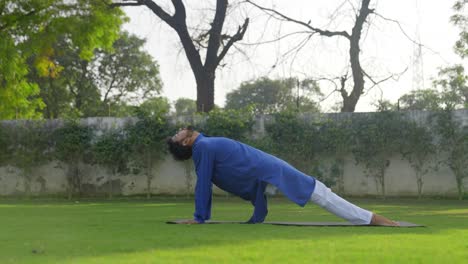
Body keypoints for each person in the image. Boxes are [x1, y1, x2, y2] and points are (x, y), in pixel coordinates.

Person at [167, 127, 398, 226]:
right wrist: (199, 216)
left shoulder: (204, 145)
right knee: (319, 193)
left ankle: (369, 218)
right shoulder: (203, 148)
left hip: (267, 170)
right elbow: (204, 182)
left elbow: (210, 178)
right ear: (186, 143)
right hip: (266, 172)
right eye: (177, 136)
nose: (179, 131)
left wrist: (200, 217)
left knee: (319, 193)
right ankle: (369, 218)